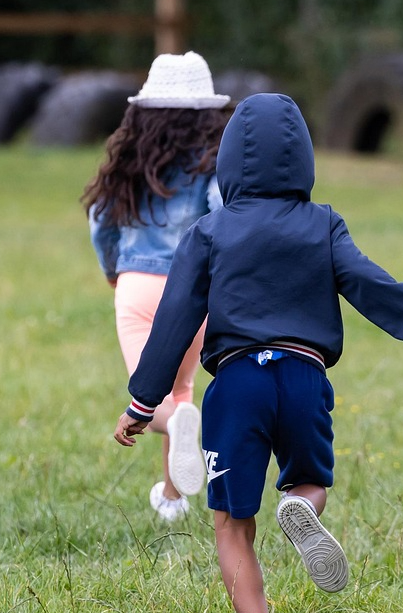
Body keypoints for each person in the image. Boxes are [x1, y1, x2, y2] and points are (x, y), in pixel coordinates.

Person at [112, 93, 403, 612]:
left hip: (238, 383)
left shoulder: (210, 231)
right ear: (303, 158)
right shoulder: (323, 223)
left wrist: (143, 402)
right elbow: (367, 281)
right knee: (311, 479)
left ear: (227, 161)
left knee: (231, 523)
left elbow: (174, 318)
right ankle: (299, 507)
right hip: (303, 377)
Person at [83, 51, 233, 521]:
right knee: (181, 389)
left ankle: (175, 471)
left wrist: (113, 269)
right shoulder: (213, 161)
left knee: (153, 401)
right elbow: (222, 211)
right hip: (193, 294)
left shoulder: (130, 158)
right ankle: (172, 499)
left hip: (138, 287)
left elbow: (100, 219)